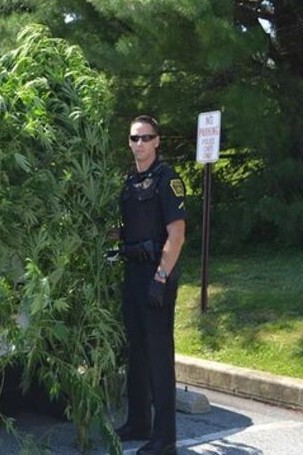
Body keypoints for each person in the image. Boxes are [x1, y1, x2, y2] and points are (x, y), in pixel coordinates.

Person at [116, 116, 186, 455]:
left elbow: (177, 235)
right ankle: (139, 421)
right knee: (137, 353)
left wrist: (161, 279)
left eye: (146, 138)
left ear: (158, 141)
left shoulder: (166, 180)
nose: (140, 143)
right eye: (135, 138)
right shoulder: (129, 181)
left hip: (157, 275)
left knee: (159, 357)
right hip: (133, 273)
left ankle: (165, 438)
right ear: (129, 142)